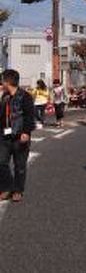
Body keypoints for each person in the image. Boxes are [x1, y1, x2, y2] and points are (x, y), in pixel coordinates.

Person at [0, 70, 36, 203]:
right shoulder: (5, 96)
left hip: (20, 135)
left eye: (2, 80)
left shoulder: (25, 96)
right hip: (5, 136)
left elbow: (29, 116)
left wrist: (26, 132)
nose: (1, 83)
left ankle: (18, 190)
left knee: (19, 166)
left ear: (7, 81)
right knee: (1, 162)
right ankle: (7, 187)